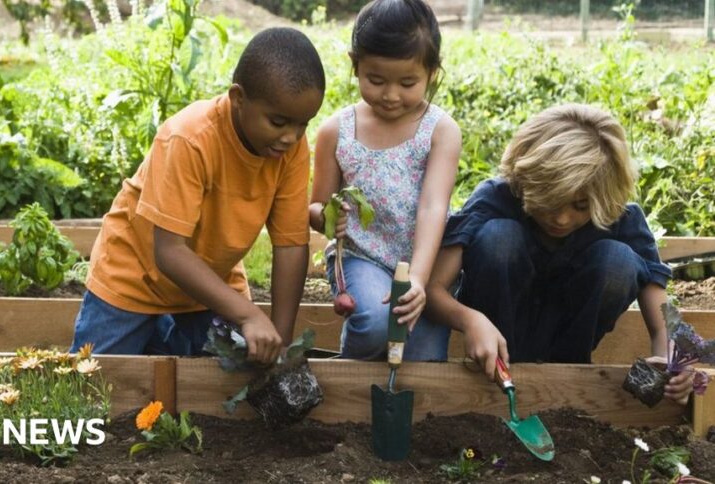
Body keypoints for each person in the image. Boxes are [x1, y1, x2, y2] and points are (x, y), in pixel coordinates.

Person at [70, 27, 325, 363]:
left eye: (303, 124)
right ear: (238, 98)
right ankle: (154, 329)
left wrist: (280, 341)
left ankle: (159, 334)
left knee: (233, 375)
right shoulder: (190, 139)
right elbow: (169, 252)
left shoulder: (288, 148)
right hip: (135, 275)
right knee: (94, 383)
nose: (291, 137)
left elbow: (291, 244)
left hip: (210, 283)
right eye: (278, 121)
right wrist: (249, 315)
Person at [425, 103, 693, 403]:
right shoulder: (497, 198)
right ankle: (501, 370)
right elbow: (433, 291)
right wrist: (470, 320)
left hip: (571, 348)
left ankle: (568, 374)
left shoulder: (620, 217)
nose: (562, 219)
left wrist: (672, 363)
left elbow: (663, 323)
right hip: (495, 352)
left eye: (580, 206)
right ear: (525, 182)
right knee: (499, 237)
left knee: (618, 261)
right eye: (551, 203)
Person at [309, 0, 461, 361]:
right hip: (363, 257)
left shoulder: (439, 131)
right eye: (375, 80)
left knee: (422, 362)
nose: (390, 95)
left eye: (408, 82)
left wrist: (419, 280)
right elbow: (315, 207)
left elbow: (432, 206)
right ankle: (346, 389)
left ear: (432, 73)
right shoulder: (337, 131)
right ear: (355, 65)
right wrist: (328, 216)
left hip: (425, 261)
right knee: (376, 323)